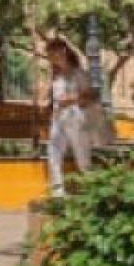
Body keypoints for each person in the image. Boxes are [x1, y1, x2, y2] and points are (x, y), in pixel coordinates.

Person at [43, 35, 97, 195]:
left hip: (75, 118)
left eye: (54, 53)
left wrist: (71, 99)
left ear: (63, 51)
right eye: (49, 55)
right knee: (53, 153)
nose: (52, 58)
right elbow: (55, 98)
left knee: (82, 158)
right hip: (58, 118)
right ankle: (58, 193)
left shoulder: (78, 73)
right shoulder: (56, 75)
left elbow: (90, 97)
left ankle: (93, 192)